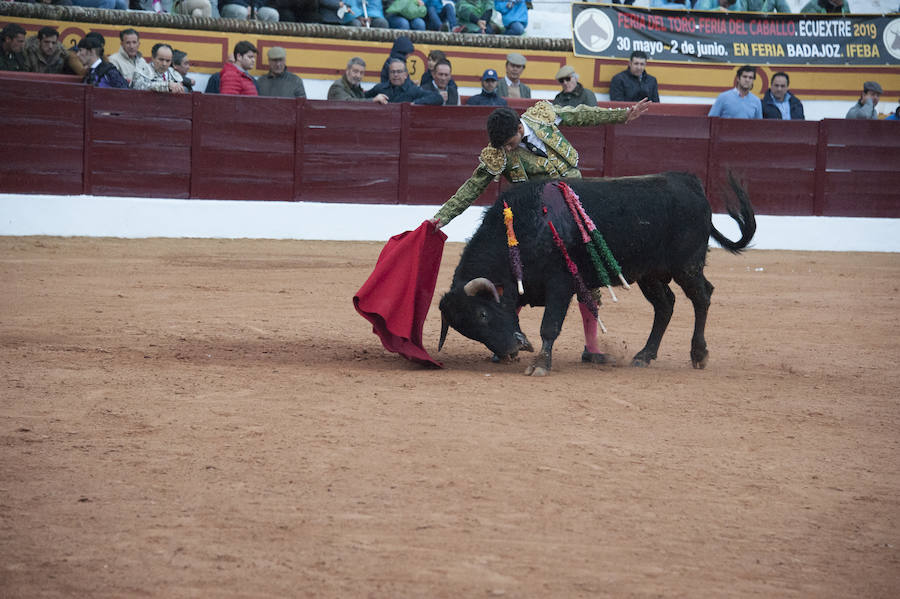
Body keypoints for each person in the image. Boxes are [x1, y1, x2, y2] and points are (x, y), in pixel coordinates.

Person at [432, 98, 651, 227]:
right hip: (542, 210)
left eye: (510, 143)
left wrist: (621, 115)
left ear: (520, 128)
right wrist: (442, 217)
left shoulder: (541, 116)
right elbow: (472, 187)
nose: (507, 149)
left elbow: (583, 115)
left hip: (579, 191)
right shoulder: (497, 153)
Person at [365, 58, 442, 104]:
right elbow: (361, 98)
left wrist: (415, 103)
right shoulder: (380, 88)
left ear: (405, 75)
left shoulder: (413, 90)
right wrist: (373, 100)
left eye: (399, 72)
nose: (395, 75)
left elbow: (438, 98)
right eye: (392, 72)